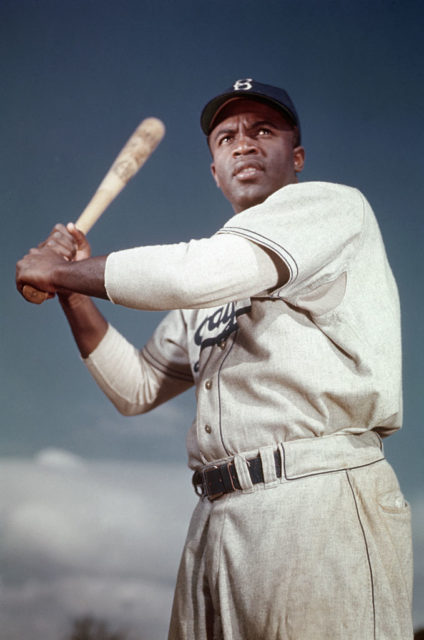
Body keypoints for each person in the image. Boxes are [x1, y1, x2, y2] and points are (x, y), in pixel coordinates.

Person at [16, 79, 413, 639]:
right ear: (214, 170)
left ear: (295, 157)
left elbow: (197, 271)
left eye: (263, 131)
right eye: (226, 138)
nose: (243, 143)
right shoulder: (212, 286)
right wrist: (73, 292)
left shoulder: (328, 207)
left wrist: (58, 270)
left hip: (315, 496)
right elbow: (136, 388)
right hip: (215, 516)